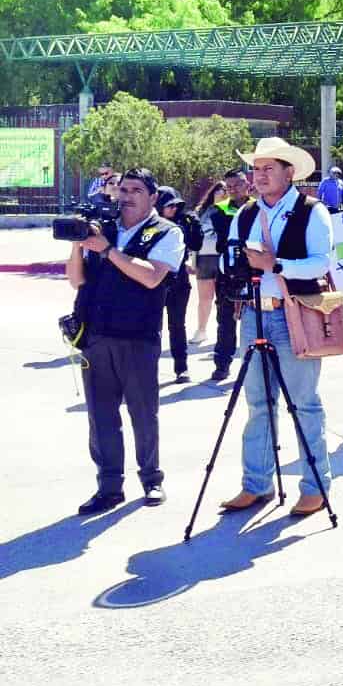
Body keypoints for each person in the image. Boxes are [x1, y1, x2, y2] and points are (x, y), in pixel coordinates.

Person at [217, 138, 336, 516]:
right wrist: (235, 266)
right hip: (254, 313)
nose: (261, 175)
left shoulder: (312, 211)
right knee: (257, 402)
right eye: (257, 168)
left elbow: (321, 263)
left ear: (289, 172)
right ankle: (256, 484)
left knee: (303, 403)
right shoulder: (246, 213)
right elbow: (228, 258)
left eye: (270, 168)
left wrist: (276, 264)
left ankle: (315, 486)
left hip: (295, 313)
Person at [65, 167, 183, 513]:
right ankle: (109, 486)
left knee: (143, 413)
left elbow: (151, 278)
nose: (126, 196)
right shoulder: (105, 228)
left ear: (152, 198)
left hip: (137, 337)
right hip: (96, 335)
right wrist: (78, 243)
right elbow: (76, 281)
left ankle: (152, 480)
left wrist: (107, 250)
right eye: (123, 190)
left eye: (135, 190)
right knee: (101, 417)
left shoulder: (166, 232)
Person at [207, 167, 252, 384]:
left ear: (247, 184)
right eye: (229, 186)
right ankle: (222, 364)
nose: (233, 190)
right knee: (224, 318)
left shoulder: (258, 208)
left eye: (237, 184)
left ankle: (252, 365)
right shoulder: (219, 211)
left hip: (255, 269)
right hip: (228, 272)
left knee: (254, 318)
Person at [155, 186, 204, 384]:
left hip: (179, 281)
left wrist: (195, 226)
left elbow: (196, 245)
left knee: (177, 326)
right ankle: (148, 369)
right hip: (155, 280)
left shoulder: (184, 221)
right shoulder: (151, 223)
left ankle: (181, 368)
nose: (174, 209)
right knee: (153, 327)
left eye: (177, 205)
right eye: (169, 206)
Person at [192, 181, 227, 345]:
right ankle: (201, 330)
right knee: (204, 298)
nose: (222, 192)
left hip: (223, 258)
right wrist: (192, 261)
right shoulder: (201, 211)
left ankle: (224, 333)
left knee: (224, 299)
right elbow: (193, 238)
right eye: (220, 189)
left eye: (225, 190)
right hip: (204, 257)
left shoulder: (232, 210)